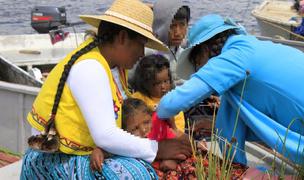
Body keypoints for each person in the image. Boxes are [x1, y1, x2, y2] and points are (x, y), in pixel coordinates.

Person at [20, 0, 191, 179]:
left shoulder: (113, 66)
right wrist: (158, 149)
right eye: (140, 44)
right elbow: (105, 135)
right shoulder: (90, 67)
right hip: (53, 158)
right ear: (122, 38)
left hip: (86, 150)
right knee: (135, 173)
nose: (142, 53)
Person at [156, 14, 304, 166]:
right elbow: (231, 124)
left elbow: (171, 104)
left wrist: (161, 115)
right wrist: (215, 127)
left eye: (198, 63)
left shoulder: (235, 55)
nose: (199, 70)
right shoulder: (252, 46)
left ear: (205, 50)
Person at [90, 98, 207, 179]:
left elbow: (182, 144)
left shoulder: (158, 129)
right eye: (134, 128)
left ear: (151, 117)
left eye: (146, 122)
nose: (143, 130)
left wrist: (173, 159)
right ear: (123, 132)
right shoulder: (127, 142)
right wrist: (99, 151)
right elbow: (112, 147)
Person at [128, 0, 191, 86]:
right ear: (161, 25)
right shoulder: (146, 53)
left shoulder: (183, 51)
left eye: (182, 25)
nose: (178, 33)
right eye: (172, 26)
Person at [131, 54, 185, 132]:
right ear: (145, 84)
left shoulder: (174, 102)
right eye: (157, 83)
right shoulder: (137, 99)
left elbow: (178, 131)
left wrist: (172, 124)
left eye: (166, 81)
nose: (163, 87)